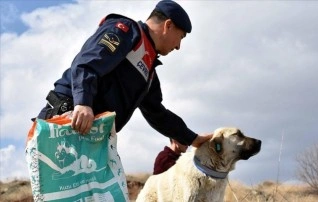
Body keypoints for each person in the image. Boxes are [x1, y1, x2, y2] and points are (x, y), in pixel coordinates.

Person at [36, 1, 212, 150]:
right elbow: (86, 64)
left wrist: (191, 138)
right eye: (180, 37)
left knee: (95, 192)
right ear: (168, 25)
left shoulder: (149, 69)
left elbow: (157, 113)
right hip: (69, 115)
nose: (179, 46)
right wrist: (83, 102)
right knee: (58, 187)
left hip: (92, 134)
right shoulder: (126, 31)